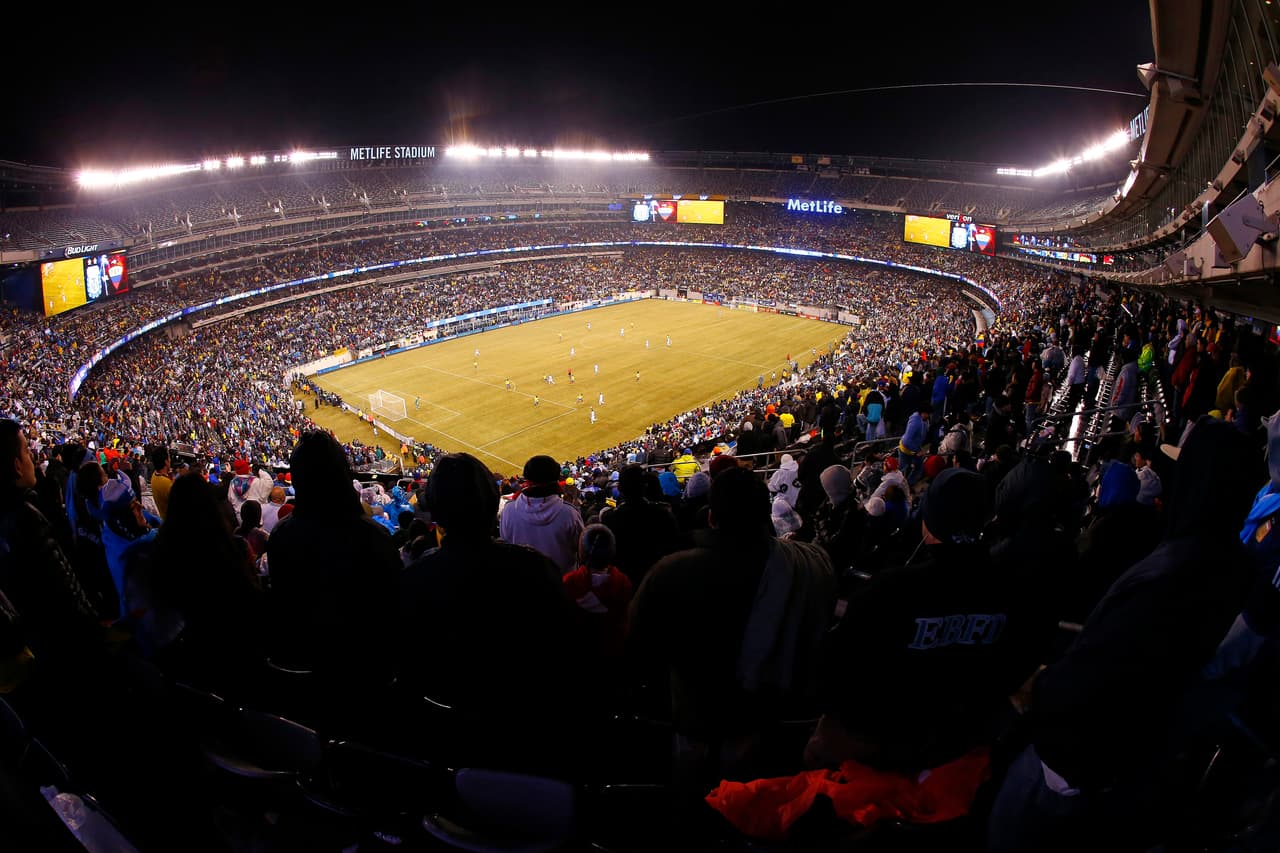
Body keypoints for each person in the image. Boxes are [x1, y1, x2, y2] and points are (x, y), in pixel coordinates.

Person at [499, 455, 585, 575]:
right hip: (562, 583)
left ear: (527, 478)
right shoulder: (570, 514)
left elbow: (505, 543)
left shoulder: (509, 510)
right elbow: (582, 550)